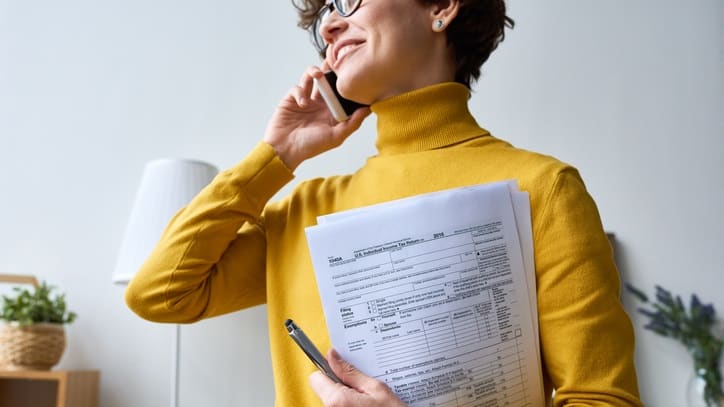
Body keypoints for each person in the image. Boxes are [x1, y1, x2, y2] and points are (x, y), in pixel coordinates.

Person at [125, 0, 644, 405]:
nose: (329, 27)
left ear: (441, 6)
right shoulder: (304, 209)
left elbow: (602, 400)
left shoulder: (544, 188)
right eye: (324, 16)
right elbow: (160, 293)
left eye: (348, 2)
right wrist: (275, 157)